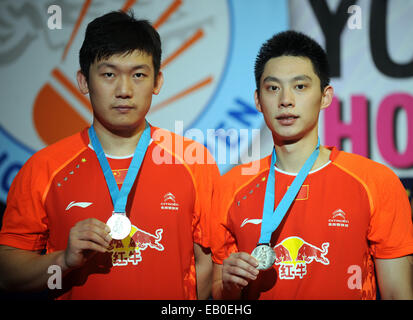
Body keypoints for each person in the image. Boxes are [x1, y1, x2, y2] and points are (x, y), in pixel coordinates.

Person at [0, 10, 219, 300]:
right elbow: (7, 273)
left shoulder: (193, 161)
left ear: (157, 82)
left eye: (138, 75)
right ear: (83, 81)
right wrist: (63, 261)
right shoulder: (43, 168)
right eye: (108, 74)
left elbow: (210, 266)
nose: (124, 90)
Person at [210, 30, 413, 300]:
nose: (285, 100)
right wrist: (229, 286)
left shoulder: (376, 182)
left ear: (326, 96)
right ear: (258, 100)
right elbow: (219, 294)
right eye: (273, 88)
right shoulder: (230, 186)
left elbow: (397, 293)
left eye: (300, 86)